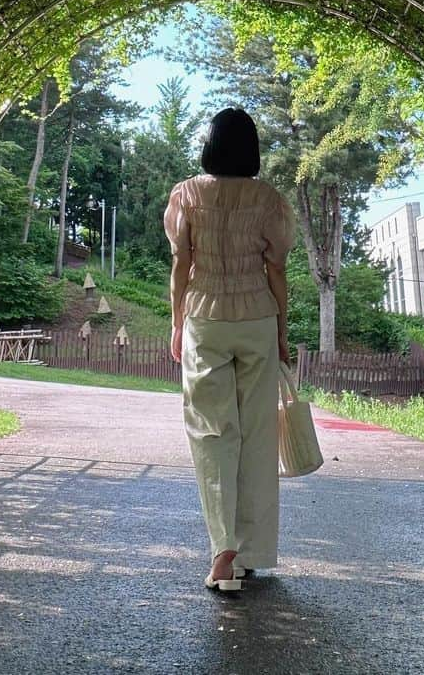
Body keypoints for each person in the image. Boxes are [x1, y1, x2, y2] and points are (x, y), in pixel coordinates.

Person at [165, 107, 297, 593]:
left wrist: (177, 323)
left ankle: (223, 550)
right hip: (257, 317)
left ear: (210, 146)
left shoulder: (186, 195)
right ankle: (250, 553)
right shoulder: (269, 200)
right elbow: (277, 270)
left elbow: (182, 264)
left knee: (212, 431)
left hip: (205, 317)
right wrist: (281, 331)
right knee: (258, 435)